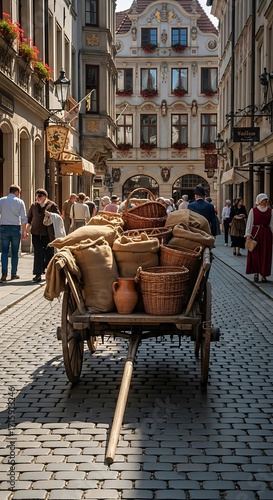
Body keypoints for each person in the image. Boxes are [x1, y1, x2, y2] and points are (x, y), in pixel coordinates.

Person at [27, 188, 61, 282]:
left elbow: (59, 218)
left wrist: (50, 214)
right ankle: (37, 274)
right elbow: (29, 218)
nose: (37, 198)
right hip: (36, 233)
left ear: (44, 196)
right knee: (37, 253)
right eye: (36, 196)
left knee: (49, 253)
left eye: (39, 196)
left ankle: (47, 269)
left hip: (48, 234)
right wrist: (26, 229)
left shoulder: (52, 205)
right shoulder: (33, 206)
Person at [0, 184, 28, 282]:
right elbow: (24, 218)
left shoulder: (1, 200)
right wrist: (24, 231)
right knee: (15, 252)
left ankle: (4, 273)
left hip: (3, 227)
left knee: (4, 251)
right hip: (16, 228)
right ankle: (13, 273)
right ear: (16, 192)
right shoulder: (20, 202)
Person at [245, 193, 273, 283]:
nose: (266, 201)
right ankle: (256, 272)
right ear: (260, 200)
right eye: (264, 199)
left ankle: (264, 275)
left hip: (266, 234)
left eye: (266, 199)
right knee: (255, 254)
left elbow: (271, 225)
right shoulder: (253, 211)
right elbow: (249, 223)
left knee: (266, 254)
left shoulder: (270, 211)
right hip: (256, 233)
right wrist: (248, 235)